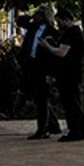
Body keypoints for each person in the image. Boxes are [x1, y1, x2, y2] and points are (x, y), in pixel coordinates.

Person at [41, 7, 84, 142]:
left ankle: (75, 131)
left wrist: (47, 46)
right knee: (73, 101)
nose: (58, 25)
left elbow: (61, 52)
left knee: (71, 102)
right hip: (72, 73)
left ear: (65, 20)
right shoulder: (77, 33)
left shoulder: (71, 33)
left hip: (69, 74)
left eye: (59, 21)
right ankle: (78, 129)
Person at [18, 8, 60, 139]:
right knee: (36, 97)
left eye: (38, 15)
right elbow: (20, 20)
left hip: (43, 67)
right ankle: (52, 125)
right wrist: (31, 16)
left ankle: (43, 129)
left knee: (41, 97)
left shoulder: (52, 32)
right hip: (30, 64)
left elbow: (54, 55)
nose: (35, 17)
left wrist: (51, 73)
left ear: (44, 17)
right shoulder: (33, 27)